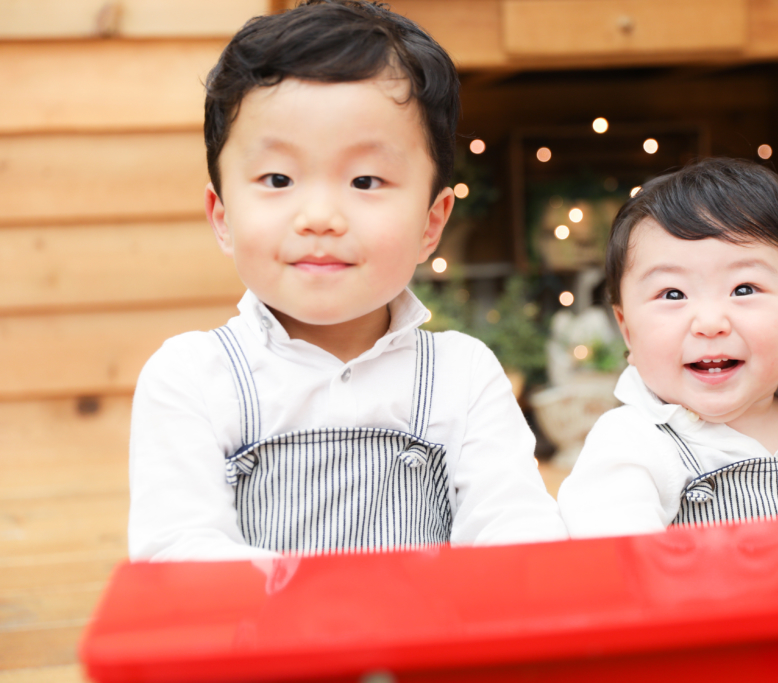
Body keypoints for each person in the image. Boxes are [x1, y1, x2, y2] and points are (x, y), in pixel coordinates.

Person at [128, 0, 566, 560]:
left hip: (432, 621)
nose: (320, 217)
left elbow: (517, 529)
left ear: (431, 223)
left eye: (365, 180)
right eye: (278, 178)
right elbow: (179, 553)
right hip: (260, 623)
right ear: (223, 217)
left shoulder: (462, 376)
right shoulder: (191, 379)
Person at [558, 158, 778, 537]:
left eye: (744, 289)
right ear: (628, 332)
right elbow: (614, 559)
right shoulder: (629, 445)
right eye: (673, 294)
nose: (710, 322)